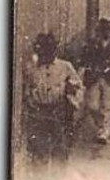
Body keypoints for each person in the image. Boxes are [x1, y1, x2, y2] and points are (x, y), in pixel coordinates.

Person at [23, 32, 81, 164]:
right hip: (38, 111)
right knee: (38, 148)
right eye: (42, 50)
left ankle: (59, 176)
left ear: (54, 50)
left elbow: (78, 86)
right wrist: (30, 101)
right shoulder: (31, 68)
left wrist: (71, 94)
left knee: (60, 147)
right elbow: (27, 88)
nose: (46, 54)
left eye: (49, 50)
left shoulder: (64, 66)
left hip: (58, 110)